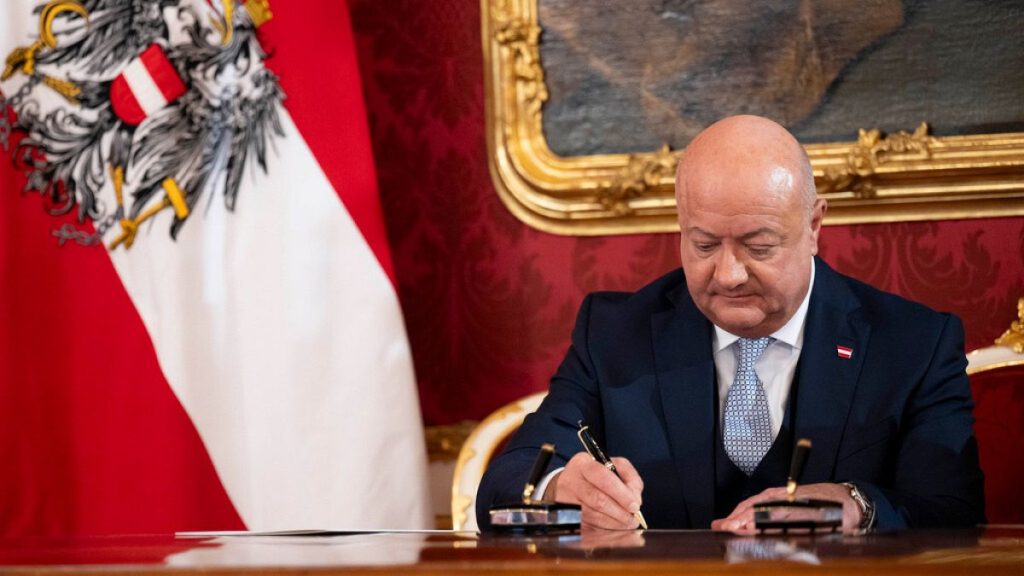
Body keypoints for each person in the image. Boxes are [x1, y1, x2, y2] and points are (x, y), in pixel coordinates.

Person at [476, 115, 985, 532]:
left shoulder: (913, 345)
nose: (728, 274)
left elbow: (953, 515)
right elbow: (509, 480)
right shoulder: (615, 334)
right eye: (702, 245)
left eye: (758, 247)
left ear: (814, 226)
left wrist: (857, 503)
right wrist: (560, 487)